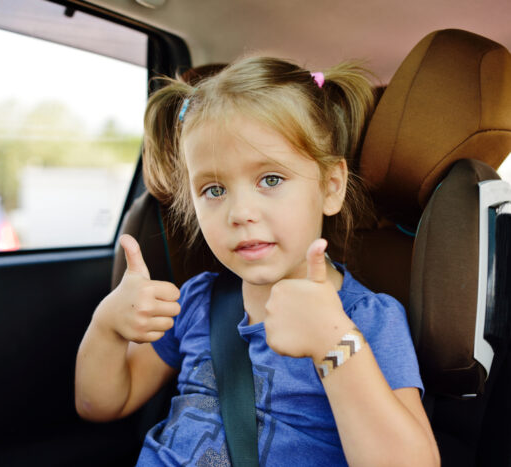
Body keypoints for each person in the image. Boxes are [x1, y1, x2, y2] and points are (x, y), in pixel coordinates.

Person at [75, 57, 440, 466]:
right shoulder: (197, 302)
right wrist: (107, 326)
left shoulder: (367, 320)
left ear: (331, 186)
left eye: (271, 180)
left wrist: (332, 343)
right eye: (214, 189)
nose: (239, 212)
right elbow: (101, 403)